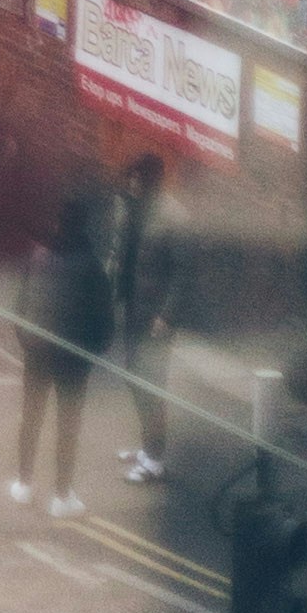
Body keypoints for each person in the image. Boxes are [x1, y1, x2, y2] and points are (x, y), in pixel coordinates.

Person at [10, 180, 112, 518]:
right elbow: (104, 319)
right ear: (83, 225)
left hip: (37, 351)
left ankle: (23, 485)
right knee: (68, 428)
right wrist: (93, 353)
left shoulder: (36, 255)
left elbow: (20, 304)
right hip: (72, 359)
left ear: (57, 222)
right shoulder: (91, 266)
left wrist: (26, 340)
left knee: (31, 418)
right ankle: (61, 496)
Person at [112, 150, 181, 486]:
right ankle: (146, 447)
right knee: (133, 376)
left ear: (151, 181)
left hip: (155, 317)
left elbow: (184, 274)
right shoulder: (133, 208)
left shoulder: (172, 217)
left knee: (150, 384)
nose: (132, 185)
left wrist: (167, 316)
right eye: (131, 180)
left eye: (138, 180)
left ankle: (154, 460)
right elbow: (122, 251)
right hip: (134, 308)